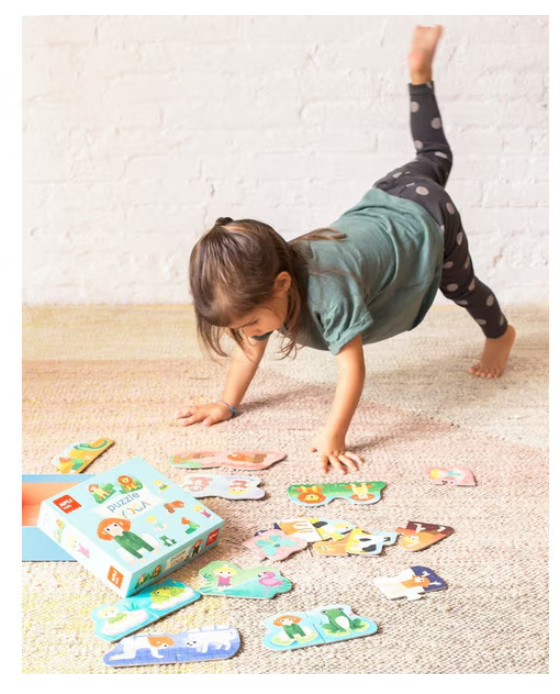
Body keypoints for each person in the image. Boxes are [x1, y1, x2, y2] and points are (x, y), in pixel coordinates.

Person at [177, 24, 516, 474]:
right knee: (434, 154)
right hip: (388, 192)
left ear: (282, 284)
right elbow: (249, 346)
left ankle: (500, 335)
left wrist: (334, 434)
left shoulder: (328, 292)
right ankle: (419, 77)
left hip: (425, 217)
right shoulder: (263, 276)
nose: (250, 333)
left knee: (460, 286)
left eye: (251, 323)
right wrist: (226, 403)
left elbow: (352, 369)